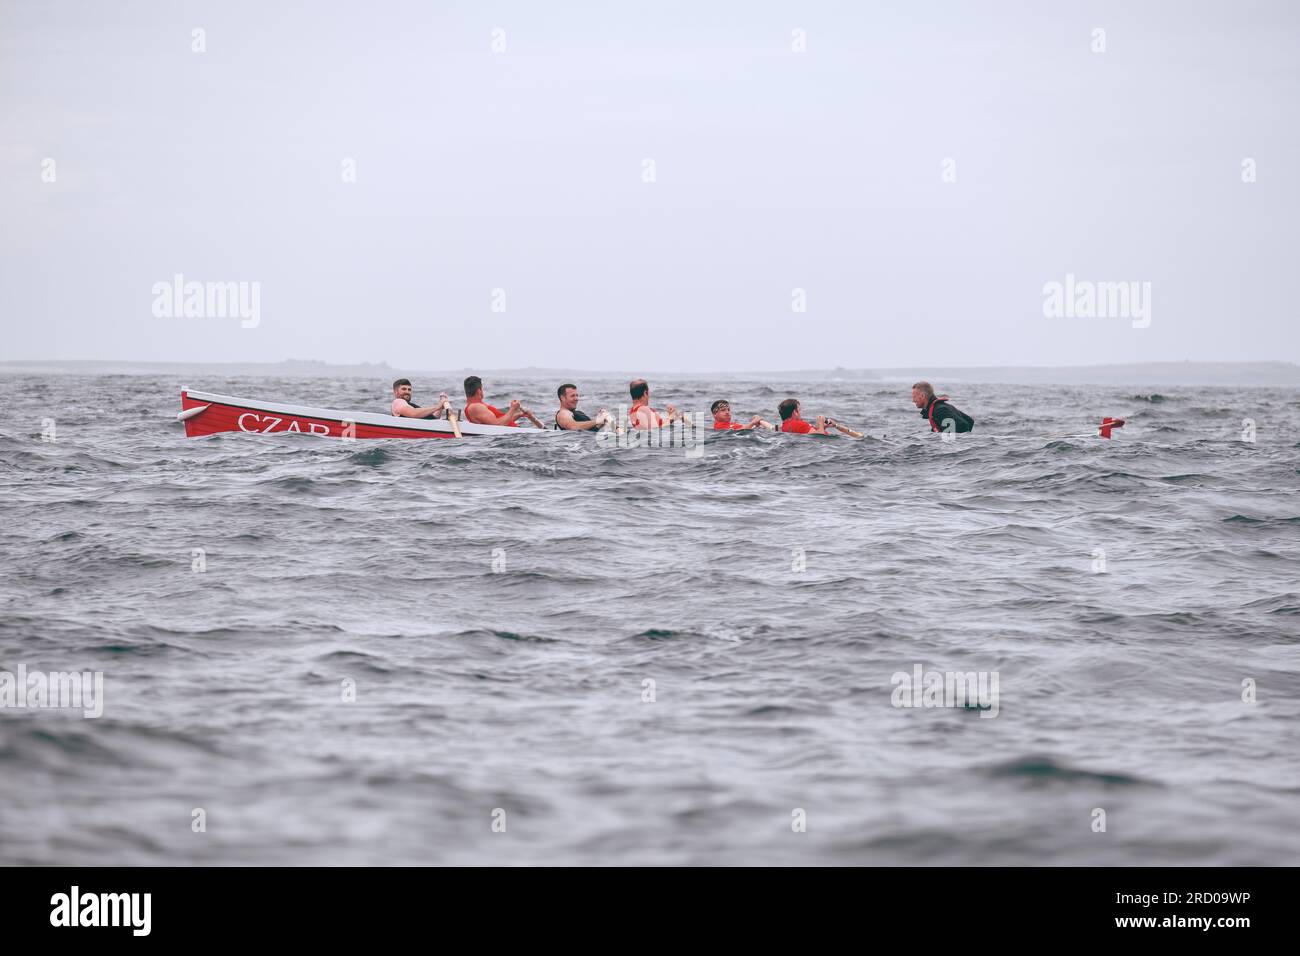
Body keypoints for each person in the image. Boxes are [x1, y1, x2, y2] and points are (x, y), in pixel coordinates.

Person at [463, 376, 544, 428]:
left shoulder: (476, 406)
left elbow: (501, 421)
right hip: (511, 437)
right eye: (482, 388)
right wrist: (512, 409)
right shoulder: (476, 407)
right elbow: (497, 425)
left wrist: (520, 415)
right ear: (479, 391)